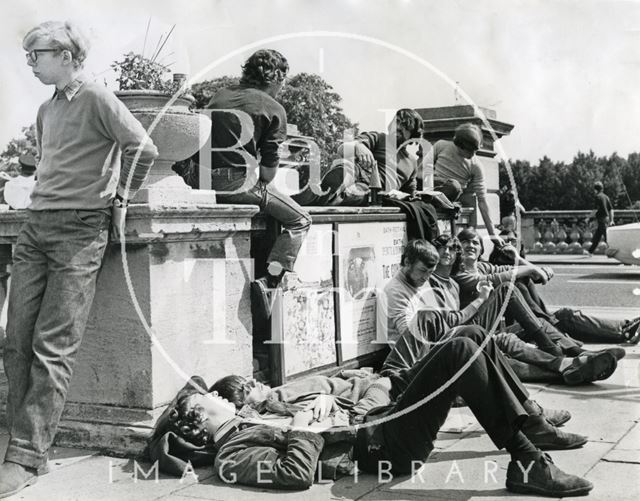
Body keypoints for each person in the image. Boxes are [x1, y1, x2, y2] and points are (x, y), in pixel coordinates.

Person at [0, 21, 158, 497]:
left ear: (67, 55)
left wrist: (123, 198)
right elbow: (53, 164)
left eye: (37, 54)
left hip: (80, 230)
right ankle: (27, 446)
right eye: (28, 56)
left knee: (53, 346)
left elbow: (143, 148)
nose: (30, 63)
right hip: (36, 227)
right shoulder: (46, 110)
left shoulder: (97, 98)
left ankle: (26, 456)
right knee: (15, 340)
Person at [163, 331, 593, 497]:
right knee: (461, 352)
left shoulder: (251, 418)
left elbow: (317, 412)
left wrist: (318, 409)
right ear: (199, 423)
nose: (217, 397)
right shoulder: (230, 457)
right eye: (204, 401)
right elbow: (293, 474)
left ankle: (532, 432)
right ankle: (528, 458)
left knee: (471, 335)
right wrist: (302, 428)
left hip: (378, 421)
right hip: (382, 447)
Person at [184, 49, 311, 318]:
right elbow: (268, 175)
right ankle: (271, 280)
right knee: (301, 220)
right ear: (277, 78)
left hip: (199, 181)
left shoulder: (220, 95)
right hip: (236, 185)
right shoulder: (274, 109)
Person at [428, 235, 617, 384]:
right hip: (466, 336)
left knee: (529, 326)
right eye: (442, 249)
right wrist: (481, 300)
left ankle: (574, 358)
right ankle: (565, 362)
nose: (447, 253)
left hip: (480, 332)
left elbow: (513, 270)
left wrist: (520, 260)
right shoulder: (448, 280)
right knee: (507, 294)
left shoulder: (456, 279)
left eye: (452, 249)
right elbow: (452, 322)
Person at [454, 227, 628, 360]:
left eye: (475, 243)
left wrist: (523, 261)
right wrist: (529, 268)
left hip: (502, 327)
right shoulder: (458, 273)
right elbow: (498, 277)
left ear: (481, 250)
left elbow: (513, 269)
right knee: (511, 287)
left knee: (541, 320)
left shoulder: (483, 266)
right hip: (478, 331)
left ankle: (579, 352)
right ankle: (558, 345)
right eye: (466, 242)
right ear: (458, 247)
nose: (470, 245)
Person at [314, 108, 425, 206]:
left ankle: (323, 196)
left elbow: (410, 194)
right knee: (347, 167)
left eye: (405, 126)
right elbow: (342, 148)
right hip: (358, 173)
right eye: (397, 122)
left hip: (374, 192)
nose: (399, 127)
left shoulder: (412, 162)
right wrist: (358, 146)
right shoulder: (379, 138)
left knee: (357, 193)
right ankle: (325, 189)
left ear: (413, 134)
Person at [422, 123, 503, 245]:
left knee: (455, 187)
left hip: (449, 194)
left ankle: (434, 200)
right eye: (470, 150)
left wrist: (492, 233)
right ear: (459, 145)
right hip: (432, 187)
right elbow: (423, 169)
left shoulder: (476, 165)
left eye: (475, 150)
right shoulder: (441, 146)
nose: (473, 154)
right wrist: (428, 189)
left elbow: (482, 200)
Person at [586, 181, 614, 256]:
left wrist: (588, 218)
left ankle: (615, 252)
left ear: (595, 190)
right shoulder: (606, 197)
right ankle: (590, 252)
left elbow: (595, 210)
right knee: (597, 236)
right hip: (606, 219)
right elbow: (611, 209)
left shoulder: (598, 197)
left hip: (602, 219)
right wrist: (611, 220)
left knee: (607, 237)